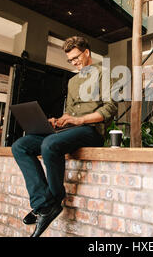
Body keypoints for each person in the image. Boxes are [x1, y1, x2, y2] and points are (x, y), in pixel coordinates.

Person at [11, 36, 117, 237]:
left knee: (50, 144)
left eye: (77, 57)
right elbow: (69, 114)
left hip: (91, 131)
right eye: (70, 60)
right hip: (68, 131)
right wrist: (59, 120)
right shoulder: (72, 81)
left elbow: (110, 108)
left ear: (87, 52)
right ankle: (44, 204)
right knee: (20, 146)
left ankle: (53, 200)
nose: (74, 62)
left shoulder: (104, 74)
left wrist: (80, 120)